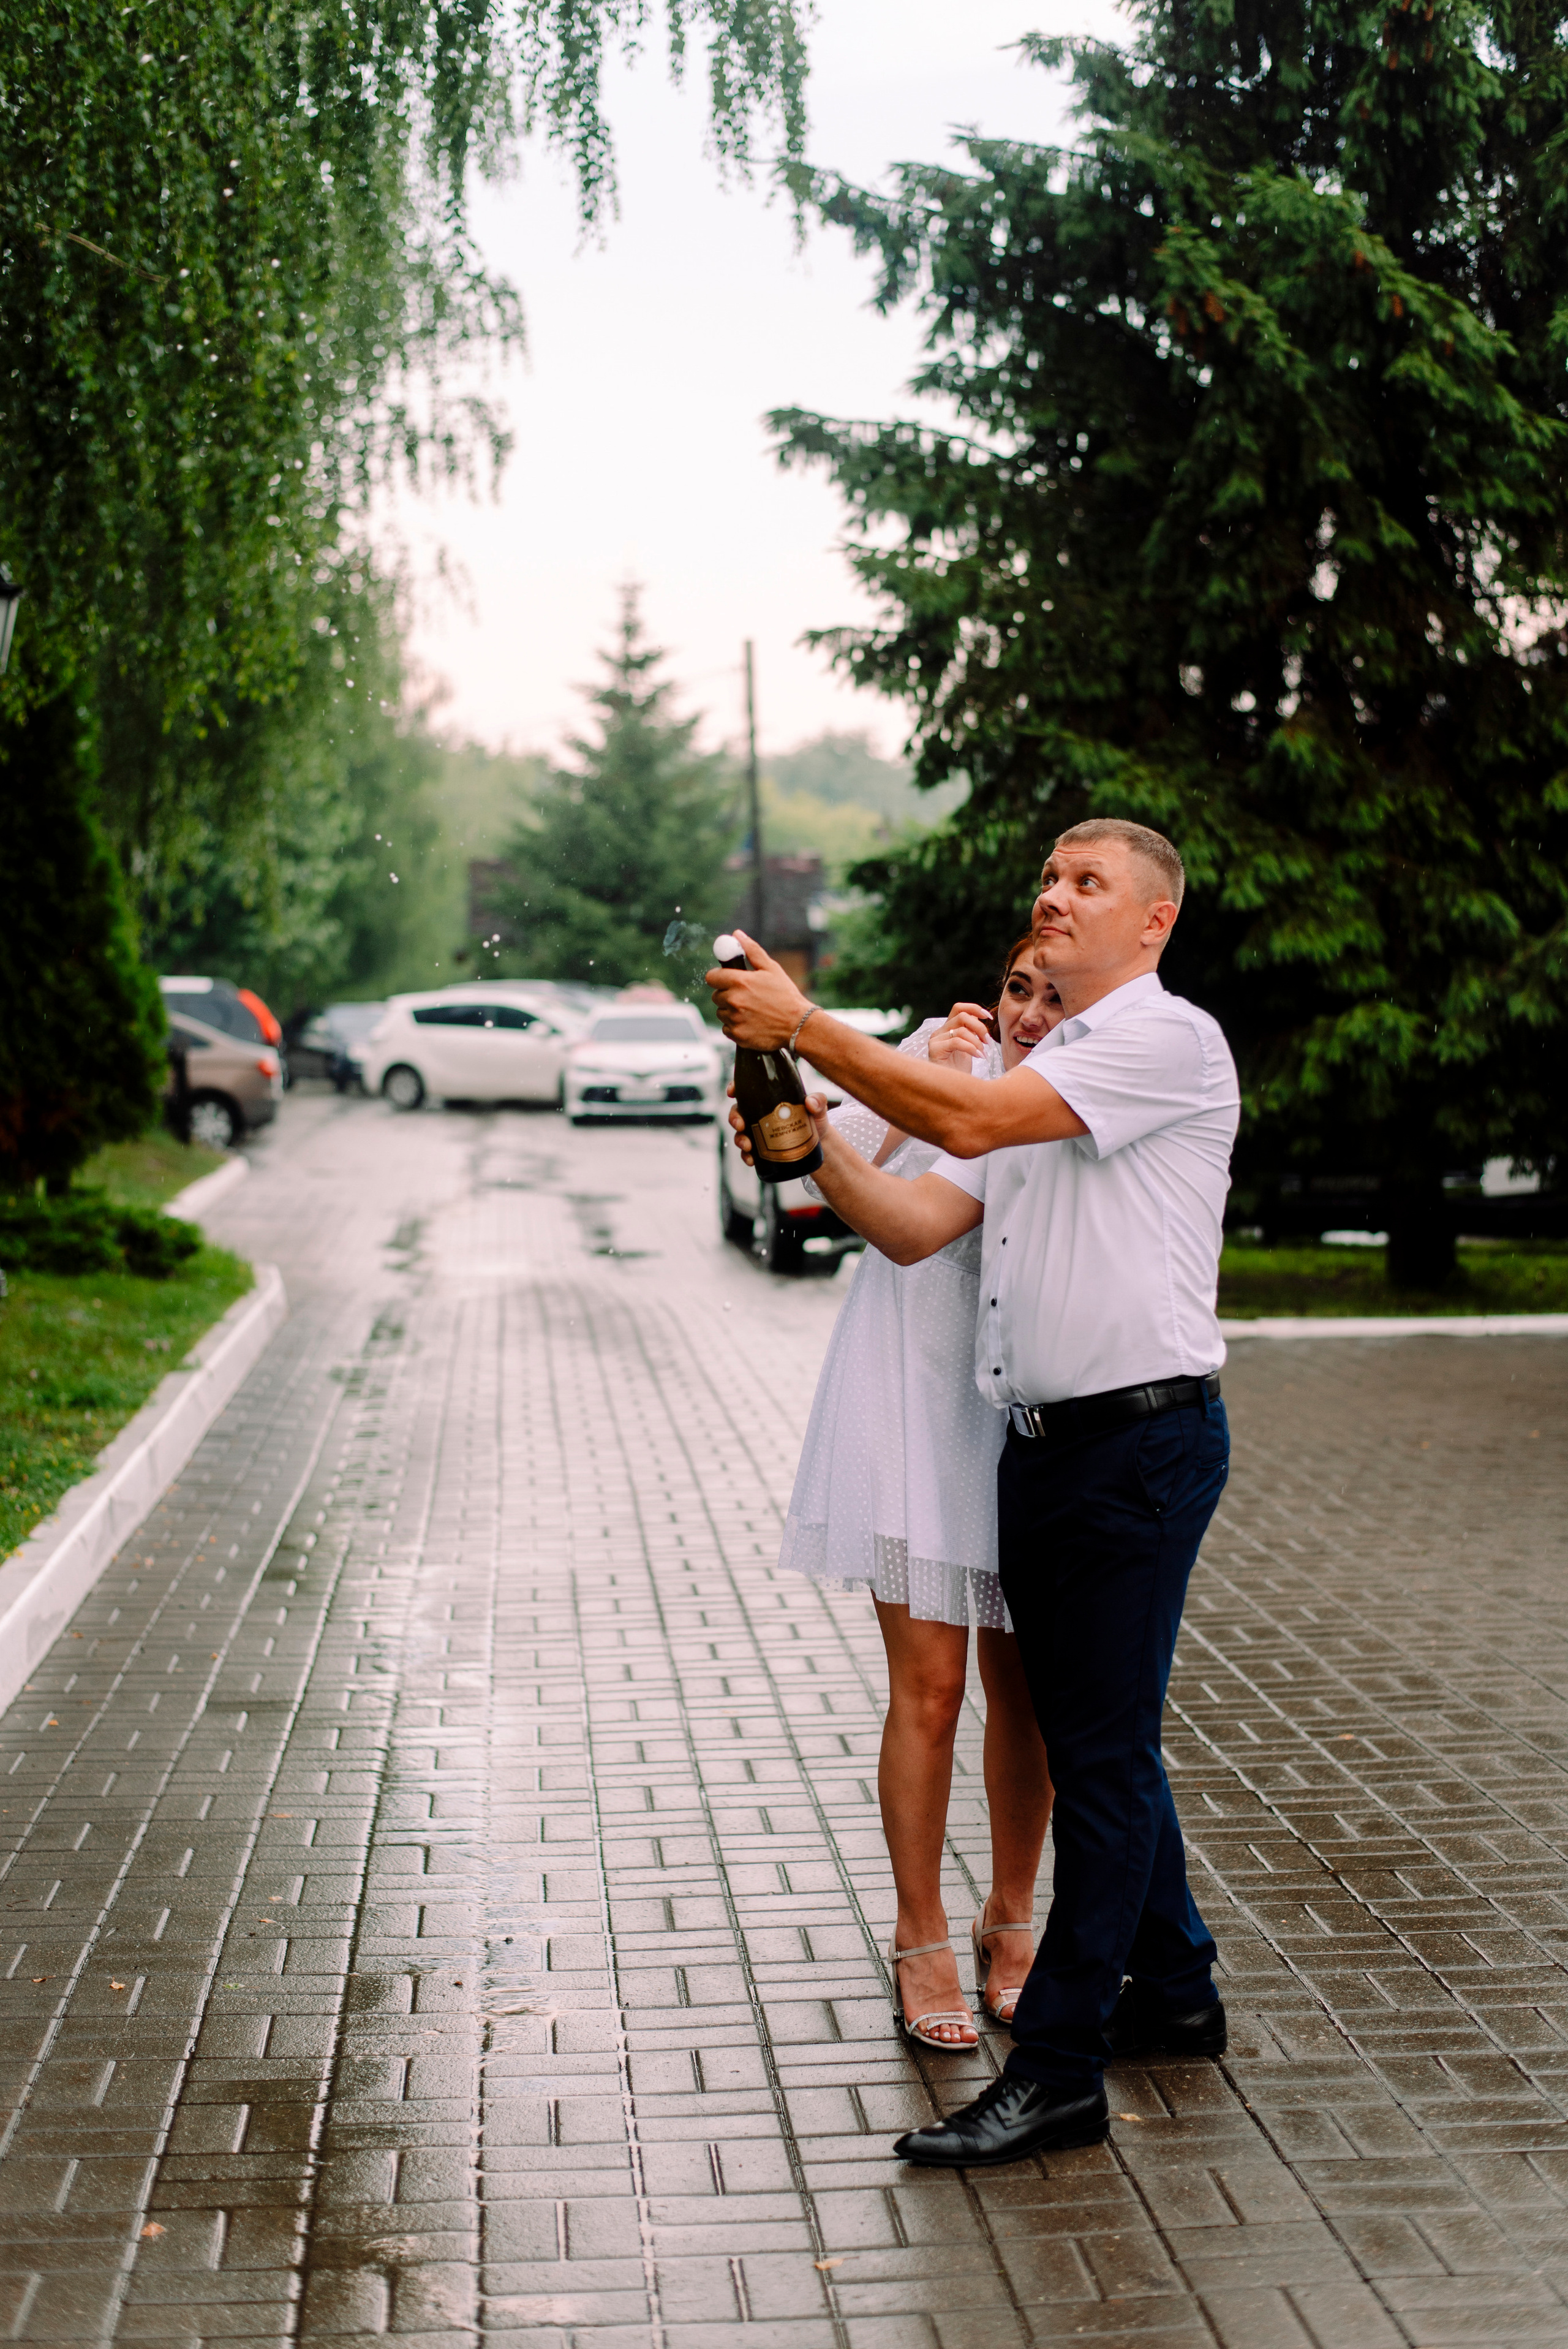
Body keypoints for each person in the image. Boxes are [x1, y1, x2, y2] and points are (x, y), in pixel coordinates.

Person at [710, 817, 1239, 2169]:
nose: (1052, 898)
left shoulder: (1158, 1040)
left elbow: (960, 1114)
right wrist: (808, 1143)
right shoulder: (1050, 1060)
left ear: (1151, 921)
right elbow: (912, 1224)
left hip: (1137, 1441)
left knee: (1099, 1757)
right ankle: (1172, 1990)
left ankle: (1058, 2069)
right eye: (1048, 878)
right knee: (1091, 1732)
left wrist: (806, 1021)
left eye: (1086, 883)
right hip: (1044, 1444)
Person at [780, 937, 1063, 2049]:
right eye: (1014, 989)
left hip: (1011, 1413)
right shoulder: (927, 1059)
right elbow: (822, 1162)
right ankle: (920, 1929)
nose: (1029, 1012)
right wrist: (919, 1089)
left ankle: (1012, 1913)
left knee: (1025, 1692)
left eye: (1050, 994)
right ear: (984, 997)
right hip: (906, 1400)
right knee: (933, 1688)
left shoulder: (1064, 1092)